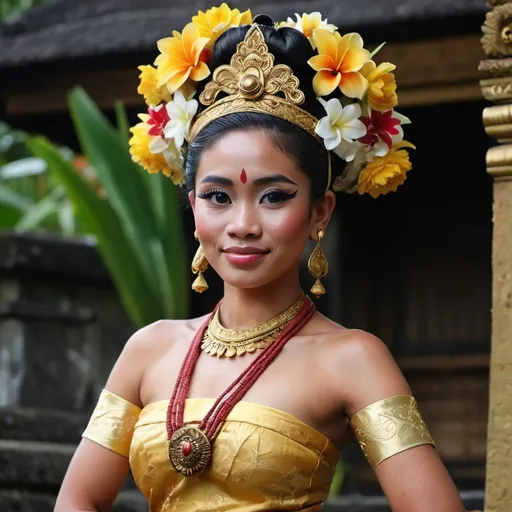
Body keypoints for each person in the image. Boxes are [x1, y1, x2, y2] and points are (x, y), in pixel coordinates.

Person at [55, 4, 470, 512]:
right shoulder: (149, 349)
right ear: (192, 207)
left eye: (274, 197)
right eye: (217, 196)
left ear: (320, 211)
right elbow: (77, 500)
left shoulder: (353, 360)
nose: (242, 224)